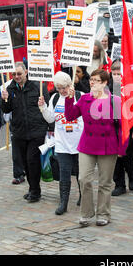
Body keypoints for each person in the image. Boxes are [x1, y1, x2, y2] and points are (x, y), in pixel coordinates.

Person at [64, 69, 127, 227]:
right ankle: (86, 213)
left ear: (105, 83)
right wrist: (69, 99)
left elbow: (122, 127)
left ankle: (103, 214)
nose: (92, 82)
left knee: (105, 183)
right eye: (91, 79)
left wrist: (122, 148)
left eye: (96, 80)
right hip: (87, 144)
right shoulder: (84, 99)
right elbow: (70, 116)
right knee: (83, 179)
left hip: (108, 146)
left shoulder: (115, 101)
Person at [1, 62, 52, 203]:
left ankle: (35, 191)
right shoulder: (9, 88)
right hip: (19, 132)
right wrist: (4, 99)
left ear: (26, 72)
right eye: (14, 74)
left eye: (19, 73)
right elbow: (6, 110)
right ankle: (32, 188)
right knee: (25, 163)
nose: (16, 76)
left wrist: (50, 128)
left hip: (36, 131)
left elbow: (48, 109)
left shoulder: (38, 86)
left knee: (32, 161)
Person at [38, 71, 83, 215]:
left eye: (64, 87)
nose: (62, 90)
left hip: (79, 142)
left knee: (81, 174)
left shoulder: (79, 96)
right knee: (64, 173)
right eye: (59, 88)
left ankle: (84, 196)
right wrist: (43, 107)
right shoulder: (55, 98)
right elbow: (50, 119)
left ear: (70, 84)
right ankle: (63, 202)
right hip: (62, 143)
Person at [108, 62, 133, 196]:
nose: (116, 77)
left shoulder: (130, 89)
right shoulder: (107, 89)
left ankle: (132, 175)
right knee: (115, 158)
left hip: (126, 126)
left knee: (126, 155)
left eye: (119, 74)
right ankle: (119, 184)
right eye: (114, 74)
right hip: (111, 127)